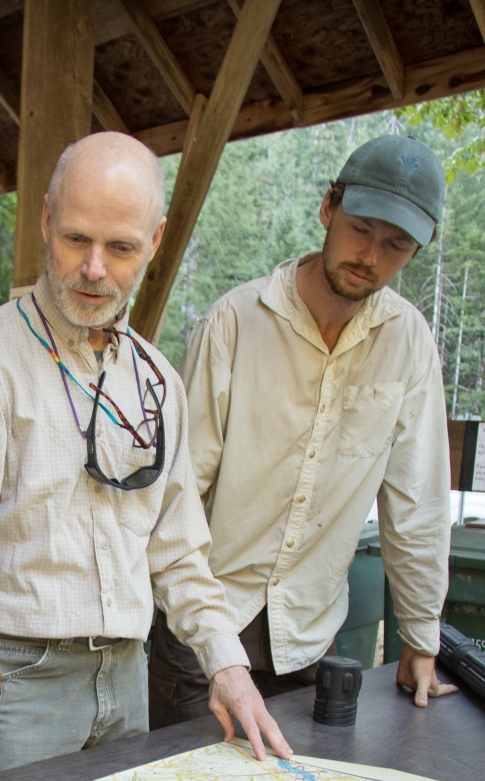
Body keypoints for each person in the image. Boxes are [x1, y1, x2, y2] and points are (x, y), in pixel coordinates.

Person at [0, 131, 291, 781]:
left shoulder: (159, 381)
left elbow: (179, 546)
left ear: (157, 241)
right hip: (13, 690)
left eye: (121, 248)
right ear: (44, 221)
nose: (94, 270)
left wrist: (228, 665)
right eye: (75, 239)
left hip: (126, 680)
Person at [149, 134, 456, 728]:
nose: (370, 255)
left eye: (396, 245)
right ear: (327, 209)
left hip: (313, 637)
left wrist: (419, 636)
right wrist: (201, 633)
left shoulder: (410, 344)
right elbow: (178, 493)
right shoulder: (234, 323)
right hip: (207, 634)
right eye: (361, 229)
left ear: (417, 251)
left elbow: (417, 502)